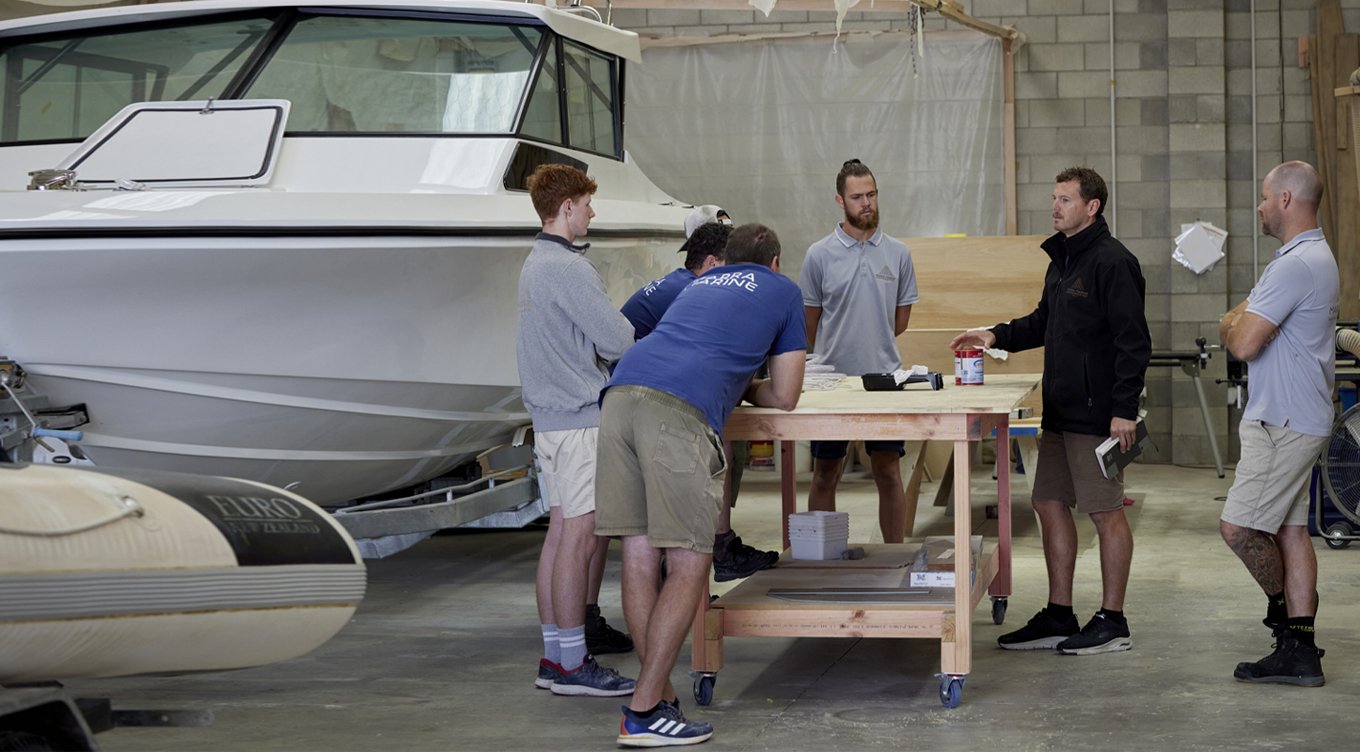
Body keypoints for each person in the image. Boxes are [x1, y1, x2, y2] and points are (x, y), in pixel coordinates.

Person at [597, 223, 806, 747]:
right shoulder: (783, 291)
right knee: (691, 561)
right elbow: (786, 396)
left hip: (620, 398)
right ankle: (643, 710)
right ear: (775, 263)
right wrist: (747, 383)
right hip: (677, 413)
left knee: (642, 556)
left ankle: (659, 696)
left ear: (725, 259)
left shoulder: (696, 284)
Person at [949, 166, 1150, 655]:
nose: (1055, 206)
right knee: (1047, 502)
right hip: (1059, 411)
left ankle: (1113, 620)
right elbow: (1044, 321)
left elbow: (1134, 343)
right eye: (1054, 197)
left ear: (1092, 206)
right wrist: (994, 335)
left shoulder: (1112, 262)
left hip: (1100, 415)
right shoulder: (1062, 259)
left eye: (1064, 199)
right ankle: (1060, 614)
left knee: (1105, 512)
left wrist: (1124, 410)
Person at [516, 163, 635, 697]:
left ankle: (555, 656)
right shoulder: (568, 268)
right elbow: (618, 339)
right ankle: (572, 664)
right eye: (588, 203)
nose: (593, 212)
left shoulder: (534, 263)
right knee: (579, 541)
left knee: (560, 535)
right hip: (580, 422)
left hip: (549, 424)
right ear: (567, 208)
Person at [1218, 161, 1337, 686]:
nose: (1260, 207)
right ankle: (1302, 649)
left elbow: (1241, 339)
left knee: (1239, 528)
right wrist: (1240, 319)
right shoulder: (1305, 257)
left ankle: (1285, 617)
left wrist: (1233, 321)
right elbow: (1245, 323)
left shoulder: (1295, 265)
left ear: (1287, 199)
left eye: (1265, 198)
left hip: (1282, 421)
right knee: (1290, 531)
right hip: (1296, 415)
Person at [620, 206, 780, 581]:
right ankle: (712, 556)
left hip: (631, 394)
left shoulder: (679, 282)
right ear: (711, 262)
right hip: (648, 400)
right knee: (707, 455)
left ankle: (717, 549)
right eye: (731, 267)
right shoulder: (695, 289)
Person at [800, 159, 919, 543]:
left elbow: (899, 321)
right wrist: (834, 353)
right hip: (832, 382)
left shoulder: (898, 253)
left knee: (887, 470)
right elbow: (809, 322)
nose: (866, 203)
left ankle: (895, 555)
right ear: (840, 200)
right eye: (857, 197)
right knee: (826, 470)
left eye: (871, 194)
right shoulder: (819, 255)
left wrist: (874, 340)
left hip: (885, 379)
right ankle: (821, 560)